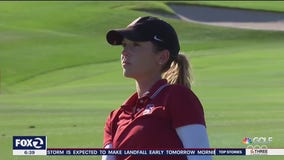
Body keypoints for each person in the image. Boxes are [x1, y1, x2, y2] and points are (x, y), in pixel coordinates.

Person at [102, 16, 211, 160]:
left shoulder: (178, 98)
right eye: (124, 45)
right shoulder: (115, 118)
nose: (124, 52)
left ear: (162, 57)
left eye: (135, 45)